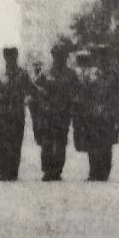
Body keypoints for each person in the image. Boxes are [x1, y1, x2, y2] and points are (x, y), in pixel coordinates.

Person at [33, 43, 77, 181]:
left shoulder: (71, 74)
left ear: (65, 56)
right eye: (56, 55)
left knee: (61, 141)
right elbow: (35, 88)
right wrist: (43, 98)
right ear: (53, 56)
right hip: (47, 113)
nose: (59, 58)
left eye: (62, 55)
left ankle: (57, 170)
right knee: (47, 142)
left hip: (63, 113)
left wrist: (70, 104)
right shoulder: (45, 72)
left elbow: (76, 91)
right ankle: (47, 170)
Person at [77, 45, 119, 181]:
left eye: (104, 56)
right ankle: (93, 171)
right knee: (93, 143)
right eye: (99, 57)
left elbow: (117, 96)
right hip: (92, 114)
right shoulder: (91, 74)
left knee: (106, 144)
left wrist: (116, 115)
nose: (102, 59)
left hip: (108, 115)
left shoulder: (114, 75)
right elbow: (85, 93)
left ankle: (104, 172)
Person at [0, 47, 33, 181]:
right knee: (2, 142)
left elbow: (32, 90)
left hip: (17, 112)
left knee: (16, 142)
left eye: (12, 56)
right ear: (4, 57)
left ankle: (13, 171)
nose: (10, 59)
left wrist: (26, 99)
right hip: (2, 113)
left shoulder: (23, 74)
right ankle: (3, 171)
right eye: (8, 56)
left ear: (16, 56)